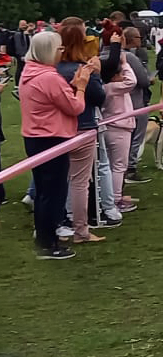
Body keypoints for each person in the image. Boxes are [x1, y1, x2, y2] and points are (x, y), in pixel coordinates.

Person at [19, 30, 92, 259]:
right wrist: (81, 86)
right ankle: (48, 243)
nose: (62, 52)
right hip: (51, 139)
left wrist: (70, 88)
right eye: (59, 48)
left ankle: (45, 237)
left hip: (34, 138)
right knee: (53, 193)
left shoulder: (29, 72)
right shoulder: (49, 77)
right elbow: (75, 107)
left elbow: (53, 99)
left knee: (44, 192)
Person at [56, 18, 106, 243]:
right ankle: (80, 230)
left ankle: (56, 225)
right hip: (82, 127)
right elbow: (99, 98)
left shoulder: (52, 70)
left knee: (54, 181)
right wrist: (96, 75)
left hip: (55, 130)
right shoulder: (83, 70)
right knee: (79, 183)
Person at [100, 42, 138, 214]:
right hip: (119, 129)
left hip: (110, 128)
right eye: (120, 74)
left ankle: (110, 197)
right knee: (119, 166)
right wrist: (125, 64)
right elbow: (132, 81)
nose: (123, 76)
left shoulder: (108, 87)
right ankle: (115, 199)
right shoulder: (113, 87)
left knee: (109, 165)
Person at [123, 27, 153, 183]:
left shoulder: (106, 55)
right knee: (136, 136)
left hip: (118, 104)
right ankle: (131, 168)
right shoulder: (130, 57)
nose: (140, 40)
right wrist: (149, 79)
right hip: (135, 101)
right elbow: (143, 80)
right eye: (138, 37)